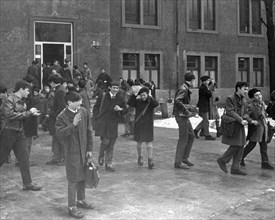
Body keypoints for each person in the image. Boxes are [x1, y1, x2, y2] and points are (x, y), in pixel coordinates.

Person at [56, 91, 94, 219]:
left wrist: (89, 149)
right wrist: (74, 124)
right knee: (73, 179)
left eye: (80, 100)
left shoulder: (83, 111)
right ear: (69, 103)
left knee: (82, 176)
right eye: (77, 101)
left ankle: (81, 200)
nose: (80, 102)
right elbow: (60, 134)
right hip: (71, 152)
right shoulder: (61, 117)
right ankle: (71, 206)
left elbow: (89, 131)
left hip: (84, 150)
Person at [0, 80, 42, 191]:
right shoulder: (8, 100)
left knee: (24, 158)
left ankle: (27, 183)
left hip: (19, 132)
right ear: (21, 89)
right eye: (28, 90)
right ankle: (27, 183)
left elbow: (20, 116)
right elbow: (9, 115)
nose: (29, 93)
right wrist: (28, 113)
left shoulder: (22, 101)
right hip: (8, 133)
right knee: (1, 158)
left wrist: (32, 114)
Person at [93, 82, 127, 172]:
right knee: (105, 141)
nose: (115, 89)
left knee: (111, 144)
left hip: (113, 123)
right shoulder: (103, 96)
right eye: (114, 87)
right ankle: (101, 154)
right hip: (103, 123)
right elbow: (96, 107)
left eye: (117, 88)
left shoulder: (120, 98)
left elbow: (125, 109)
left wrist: (120, 109)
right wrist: (97, 117)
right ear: (110, 88)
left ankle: (109, 163)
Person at [217, 81, 249, 176]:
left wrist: (246, 118)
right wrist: (240, 120)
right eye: (244, 89)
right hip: (232, 124)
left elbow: (246, 112)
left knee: (241, 144)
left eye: (247, 89)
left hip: (240, 125)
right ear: (238, 88)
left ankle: (235, 168)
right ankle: (223, 160)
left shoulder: (244, 100)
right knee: (237, 145)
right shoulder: (230, 98)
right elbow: (230, 111)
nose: (246, 91)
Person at [241, 88, 274, 170]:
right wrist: (252, 121)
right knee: (252, 145)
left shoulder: (262, 103)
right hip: (256, 129)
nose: (259, 96)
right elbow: (245, 116)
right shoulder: (250, 106)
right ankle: (240, 157)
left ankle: (265, 162)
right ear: (252, 97)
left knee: (264, 145)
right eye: (256, 95)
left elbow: (264, 113)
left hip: (264, 127)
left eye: (260, 94)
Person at [128, 87, 159, 169]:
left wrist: (151, 96)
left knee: (149, 143)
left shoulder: (150, 102)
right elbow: (130, 103)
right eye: (141, 95)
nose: (143, 97)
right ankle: (140, 157)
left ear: (147, 95)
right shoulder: (138, 102)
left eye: (144, 95)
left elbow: (156, 104)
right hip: (139, 124)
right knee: (139, 142)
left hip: (148, 125)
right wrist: (134, 95)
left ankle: (150, 159)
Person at [173, 72, 198, 169]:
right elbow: (178, 101)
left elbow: (181, 102)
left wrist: (190, 108)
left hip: (183, 116)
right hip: (181, 116)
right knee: (183, 138)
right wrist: (187, 111)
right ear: (191, 80)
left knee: (191, 136)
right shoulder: (183, 88)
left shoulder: (184, 87)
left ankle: (184, 158)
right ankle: (178, 162)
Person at [46, 75, 67, 166]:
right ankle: (56, 158)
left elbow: (62, 106)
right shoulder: (60, 89)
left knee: (60, 139)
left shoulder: (60, 91)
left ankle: (64, 158)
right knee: (56, 138)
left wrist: (53, 115)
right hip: (58, 118)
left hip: (58, 119)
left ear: (52, 82)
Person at [194, 76, 216, 140]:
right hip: (203, 106)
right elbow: (209, 94)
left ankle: (196, 130)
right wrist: (210, 87)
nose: (208, 82)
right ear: (203, 81)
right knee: (205, 121)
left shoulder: (205, 87)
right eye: (207, 80)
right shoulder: (203, 88)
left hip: (205, 105)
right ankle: (207, 135)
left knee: (205, 120)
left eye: (209, 80)